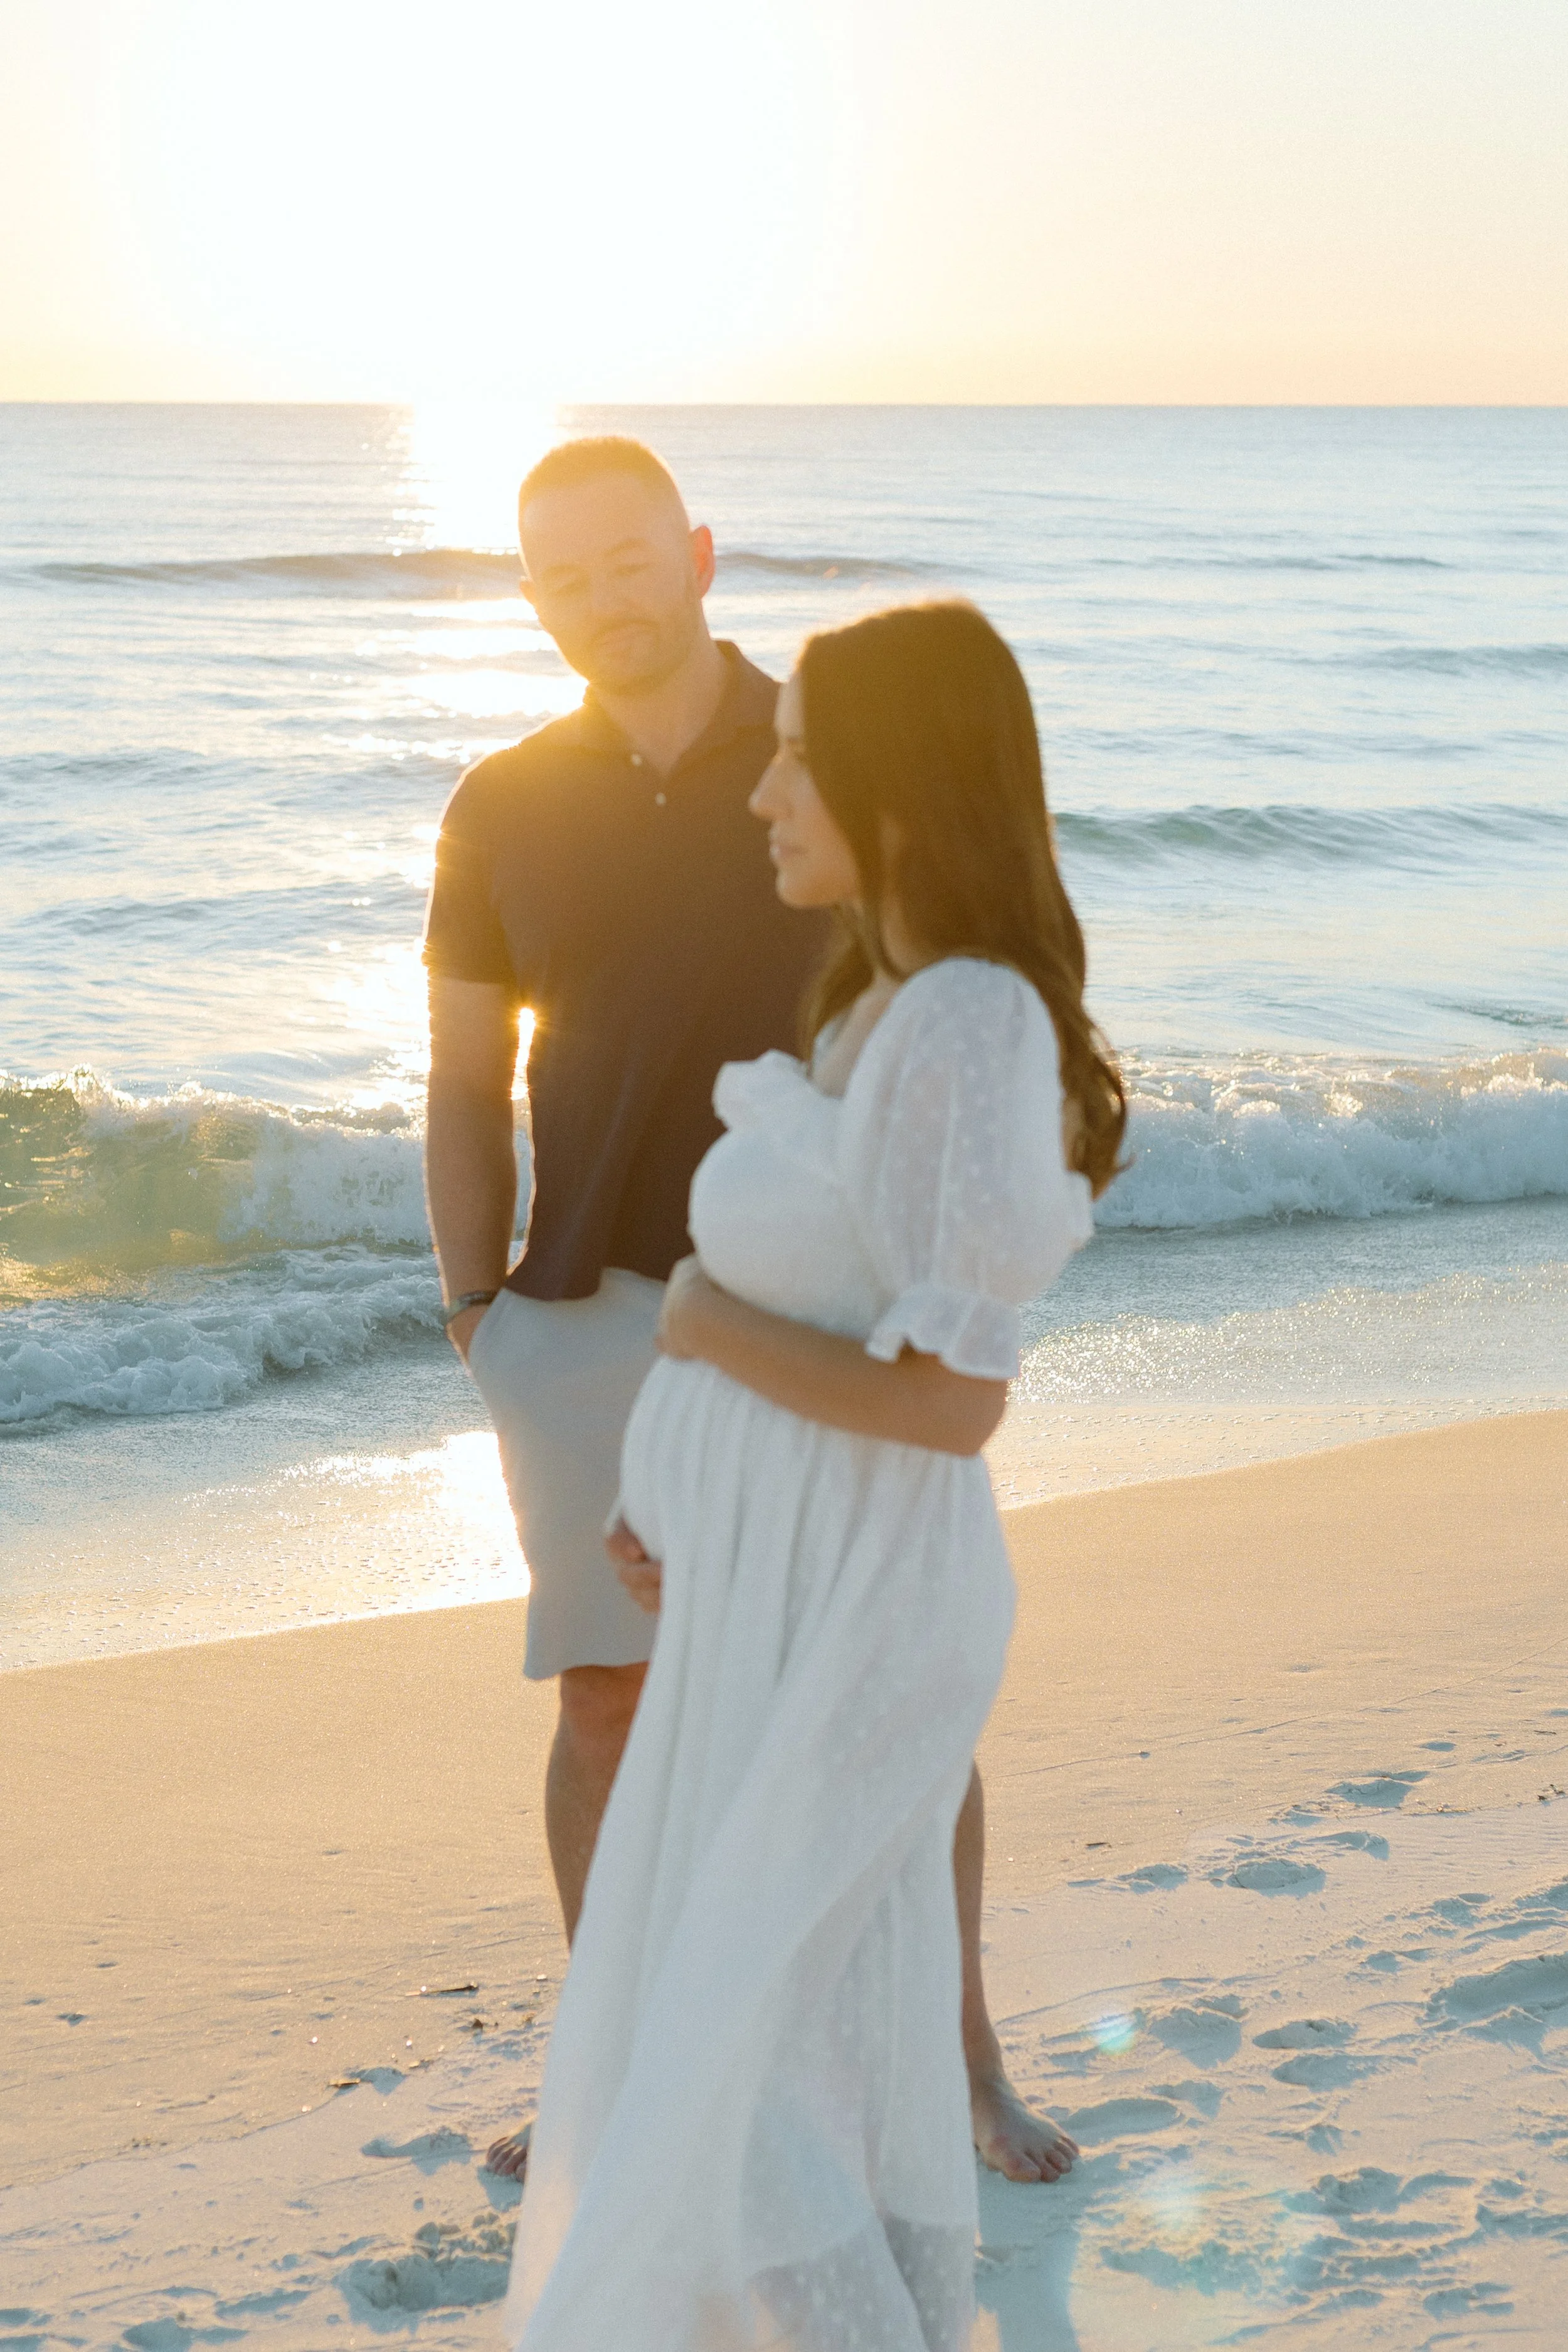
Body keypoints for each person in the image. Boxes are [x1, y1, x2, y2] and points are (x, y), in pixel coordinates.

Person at [423, 438, 1072, 2188]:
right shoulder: (500, 799)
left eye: (626, 557)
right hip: (579, 1309)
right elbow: (465, 1075)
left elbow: (948, 1005)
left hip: (808, 1304)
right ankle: (623, 2070)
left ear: (696, 552)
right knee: (611, 1707)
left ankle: (960, 2062)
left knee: (885, 1692)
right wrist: (477, 1306)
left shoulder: (827, 754)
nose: (597, 596)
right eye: (557, 571)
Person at [502, 600, 1126, 2350]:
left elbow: (945, 1404)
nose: (763, 793)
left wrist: (694, 1325)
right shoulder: (884, 1004)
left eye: (796, 763)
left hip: (862, 1597)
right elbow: (834, 1310)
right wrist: (674, 1497)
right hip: (775, 1588)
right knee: (754, 2049)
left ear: (895, 788)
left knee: (753, 2057)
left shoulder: (967, 1025)